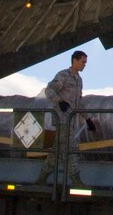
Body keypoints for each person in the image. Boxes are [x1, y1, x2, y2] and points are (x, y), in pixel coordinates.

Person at [35, 50, 96, 187]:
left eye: (85, 63)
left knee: (57, 150)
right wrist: (59, 101)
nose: (84, 65)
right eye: (83, 62)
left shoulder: (79, 80)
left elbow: (78, 102)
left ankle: (42, 177)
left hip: (71, 120)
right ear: (74, 60)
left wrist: (87, 119)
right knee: (71, 147)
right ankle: (75, 179)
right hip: (62, 119)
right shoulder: (63, 75)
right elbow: (49, 90)